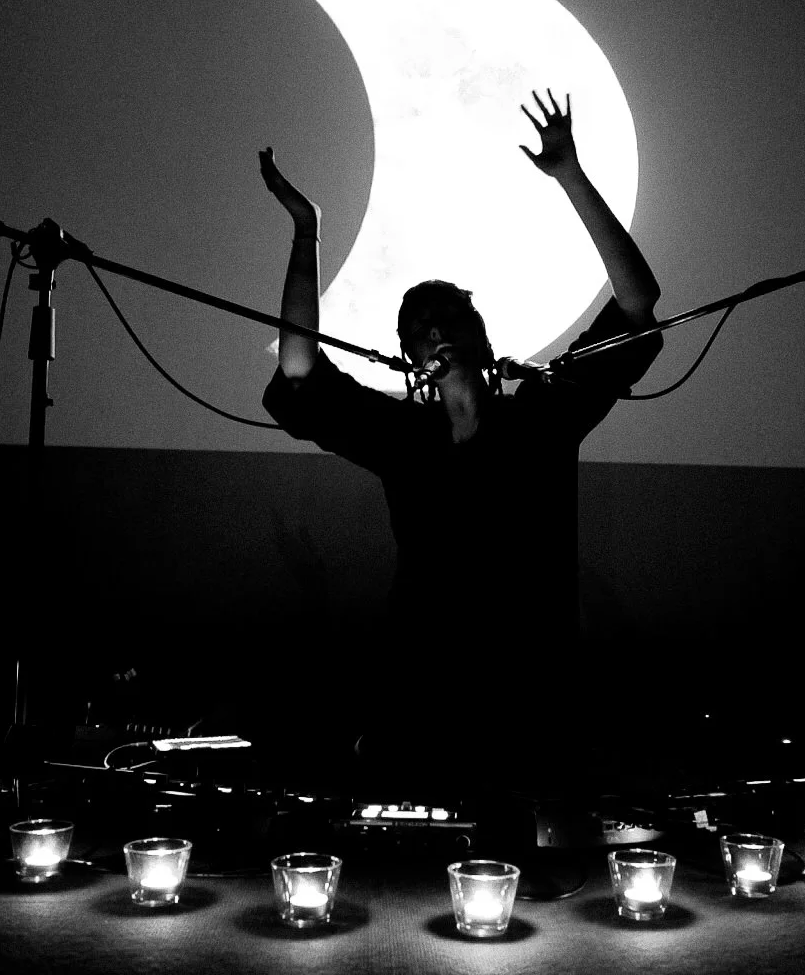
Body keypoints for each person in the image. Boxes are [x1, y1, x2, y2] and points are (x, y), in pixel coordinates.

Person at [259, 90, 662, 773]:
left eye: (448, 317)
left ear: (481, 336)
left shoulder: (542, 413)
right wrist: (308, 229)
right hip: (425, 688)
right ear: (410, 359)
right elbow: (298, 371)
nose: (434, 329)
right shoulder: (401, 436)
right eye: (418, 327)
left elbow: (636, 303)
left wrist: (571, 177)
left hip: (531, 693)